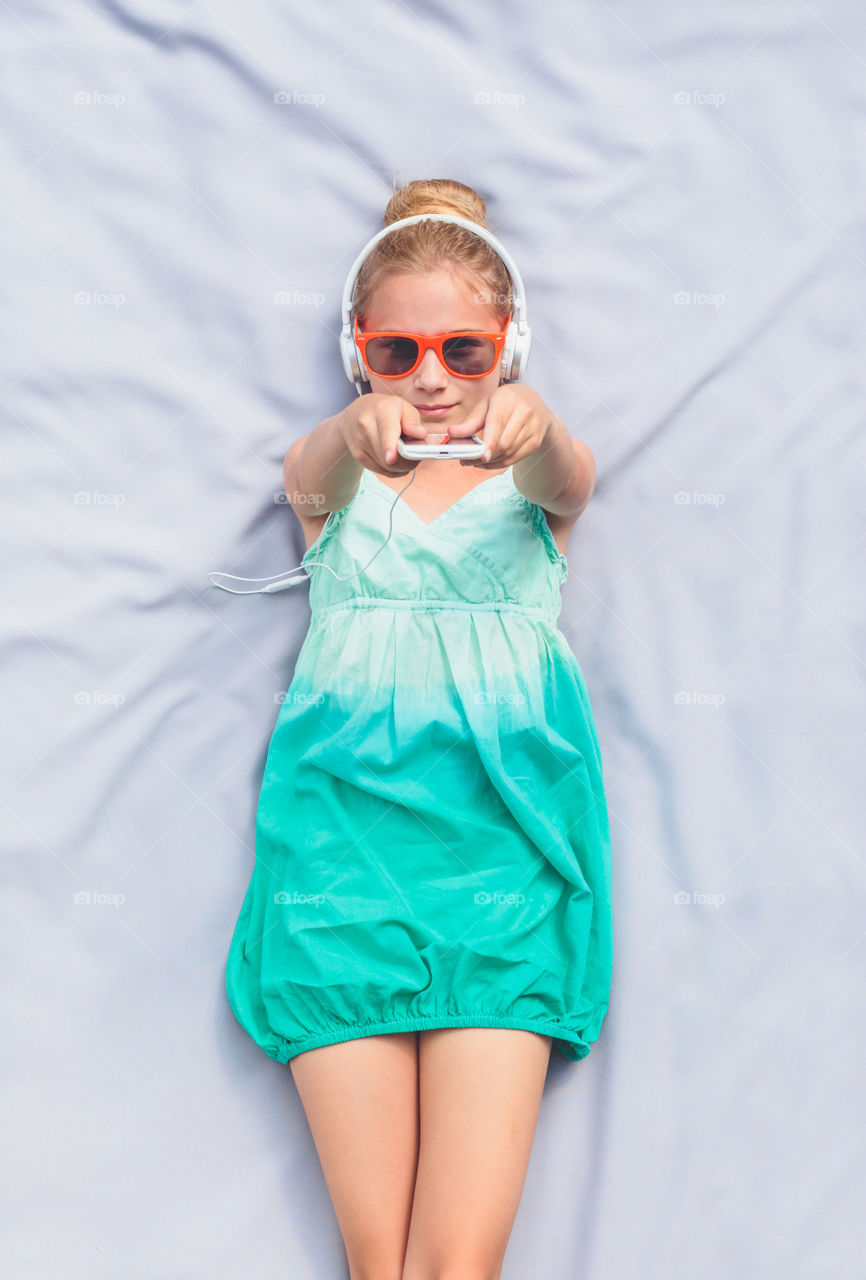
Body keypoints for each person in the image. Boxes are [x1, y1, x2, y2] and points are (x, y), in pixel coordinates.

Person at [225, 176, 613, 1280]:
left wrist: (534, 431)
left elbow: (567, 473)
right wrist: (353, 430)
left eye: (463, 350)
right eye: (396, 353)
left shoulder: (529, 485)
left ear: (507, 345)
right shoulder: (334, 483)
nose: (431, 377)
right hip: (339, 876)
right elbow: (304, 472)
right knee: (377, 1262)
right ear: (358, 350)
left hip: (504, 877)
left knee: (454, 1264)